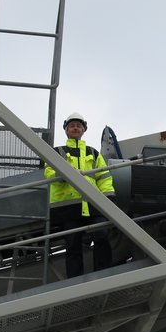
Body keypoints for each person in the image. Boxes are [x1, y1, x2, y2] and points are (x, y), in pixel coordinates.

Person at [44, 113, 115, 278]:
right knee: (73, 244)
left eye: (78, 126)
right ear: (67, 130)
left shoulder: (93, 153)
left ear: (83, 130)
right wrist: (68, 173)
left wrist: (109, 199)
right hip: (68, 207)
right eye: (72, 126)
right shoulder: (57, 152)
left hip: (93, 204)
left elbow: (104, 178)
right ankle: (75, 280)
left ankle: (104, 275)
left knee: (102, 235)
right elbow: (49, 173)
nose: (75, 128)